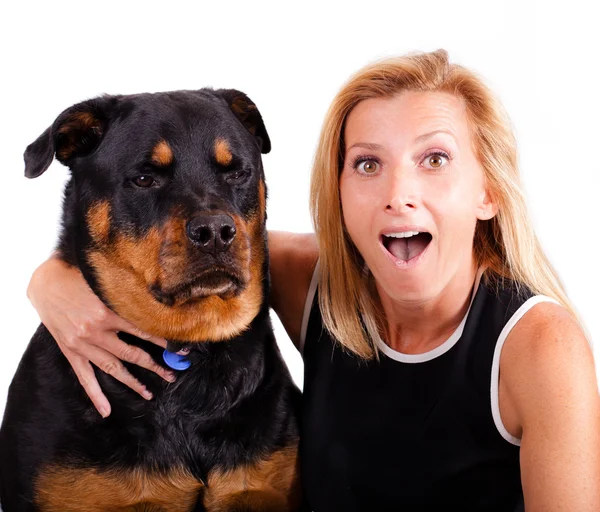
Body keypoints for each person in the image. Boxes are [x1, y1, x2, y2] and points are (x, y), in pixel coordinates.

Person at [26, 50, 600, 510]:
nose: (400, 193)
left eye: (435, 159)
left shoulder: (540, 348)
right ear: (339, 191)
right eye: (368, 164)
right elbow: (189, 252)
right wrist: (49, 281)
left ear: (489, 190)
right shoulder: (317, 286)